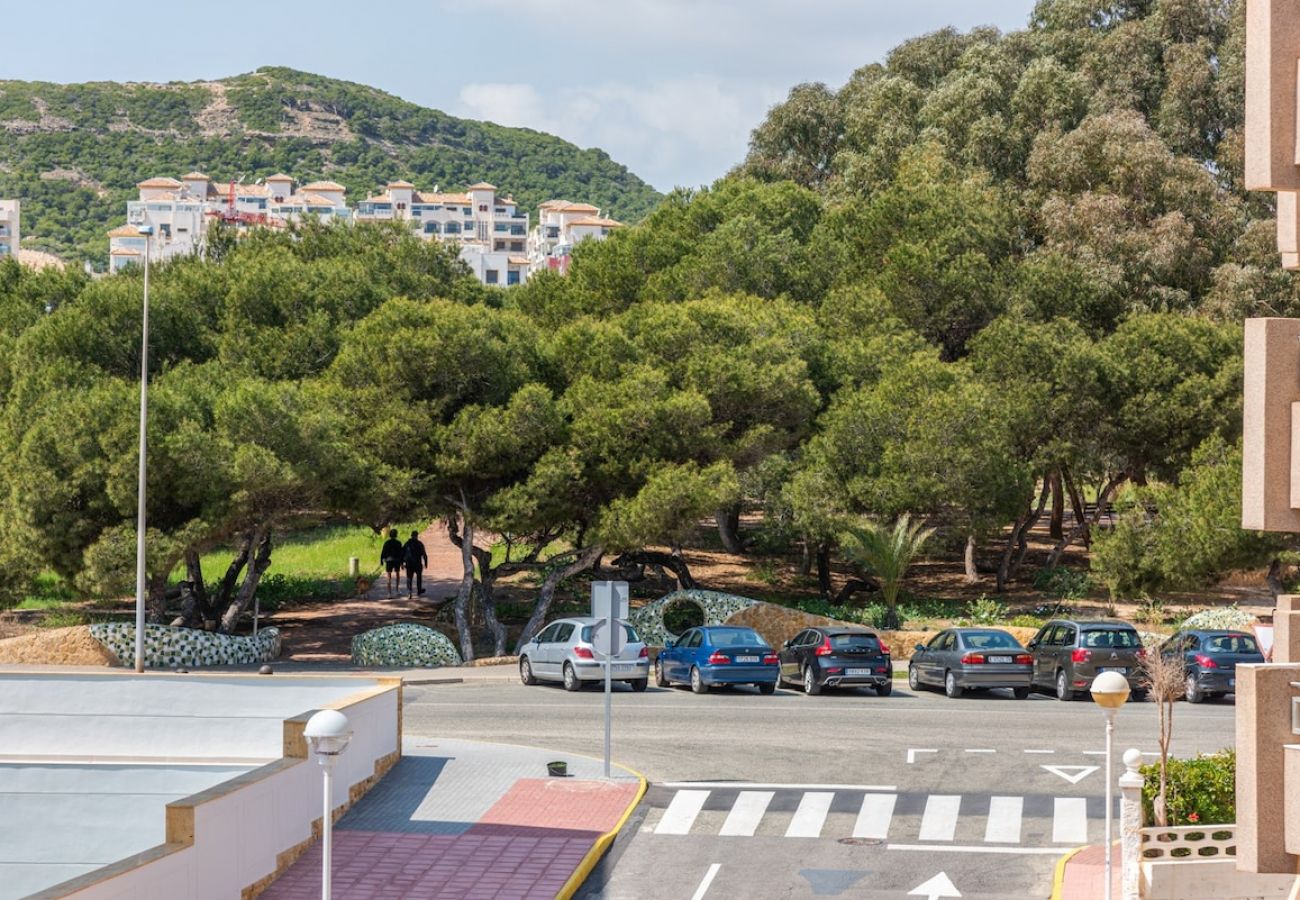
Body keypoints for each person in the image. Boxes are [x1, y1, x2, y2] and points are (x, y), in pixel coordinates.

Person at [403, 530, 428, 599]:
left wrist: (402, 563)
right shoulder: (420, 543)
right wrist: (426, 563)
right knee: (419, 577)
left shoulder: (407, 543)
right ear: (417, 536)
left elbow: (402, 553)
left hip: (409, 564)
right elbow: (424, 554)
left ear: (411, 536)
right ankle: (419, 590)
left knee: (409, 578)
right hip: (417, 563)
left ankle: (409, 592)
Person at [379, 529, 404, 598]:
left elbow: (383, 552)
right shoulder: (398, 543)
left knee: (389, 576)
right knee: (397, 574)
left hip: (389, 560)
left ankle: (389, 593)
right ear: (396, 535)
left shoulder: (387, 543)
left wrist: (381, 560)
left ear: (390, 535)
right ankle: (397, 590)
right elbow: (401, 553)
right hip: (397, 560)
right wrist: (402, 563)